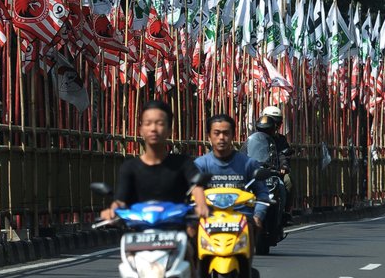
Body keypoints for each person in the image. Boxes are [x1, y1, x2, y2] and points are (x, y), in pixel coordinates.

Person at [101, 100, 209, 278]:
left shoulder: (182, 163)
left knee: (190, 255)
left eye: (160, 123)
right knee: (127, 267)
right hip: (140, 237)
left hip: (175, 233)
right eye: (148, 123)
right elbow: (120, 199)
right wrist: (111, 212)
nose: (153, 128)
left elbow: (196, 185)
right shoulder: (130, 167)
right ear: (141, 129)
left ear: (169, 130)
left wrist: (201, 204)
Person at [194, 114, 270, 231]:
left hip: (242, 219)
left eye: (226, 133)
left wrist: (258, 216)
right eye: (217, 133)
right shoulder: (200, 165)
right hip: (208, 219)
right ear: (209, 136)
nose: (221, 138)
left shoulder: (248, 164)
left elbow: (262, 194)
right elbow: (190, 194)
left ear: (233, 135)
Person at [262, 106, 294, 225]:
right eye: (271, 121)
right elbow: (247, 153)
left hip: (275, 172)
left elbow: (283, 154)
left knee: (288, 181)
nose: (274, 125)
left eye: (277, 122)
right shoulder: (255, 138)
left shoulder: (281, 140)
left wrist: (284, 167)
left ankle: (286, 212)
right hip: (257, 172)